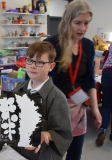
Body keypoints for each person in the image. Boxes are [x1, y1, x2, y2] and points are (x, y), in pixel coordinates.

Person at [42, 0, 102, 159]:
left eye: (86, 23)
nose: (82, 28)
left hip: (78, 110)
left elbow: (90, 80)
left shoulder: (88, 45)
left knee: (75, 154)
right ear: (68, 20)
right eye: (78, 23)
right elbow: (38, 80)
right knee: (53, 154)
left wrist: (95, 109)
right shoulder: (51, 44)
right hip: (55, 112)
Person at [12, 41, 72, 160]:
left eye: (39, 62)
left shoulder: (57, 98)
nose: (33, 66)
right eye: (29, 60)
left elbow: (64, 133)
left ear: (51, 66)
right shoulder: (18, 89)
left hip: (42, 155)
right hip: (18, 150)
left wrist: (47, 134)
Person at [95, 45, 112, 145]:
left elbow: (105, 61)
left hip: (106, 73)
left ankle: (103, 131)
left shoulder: (110, 46)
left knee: (106, 104)